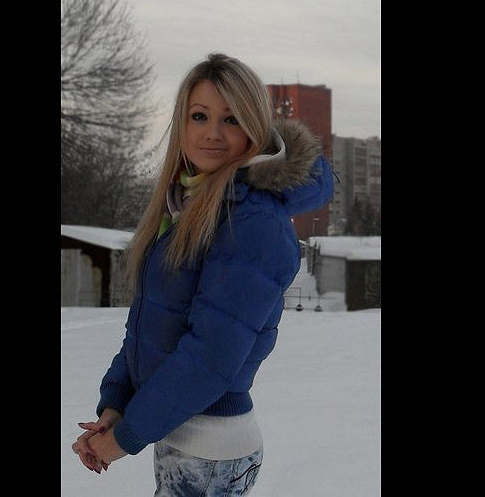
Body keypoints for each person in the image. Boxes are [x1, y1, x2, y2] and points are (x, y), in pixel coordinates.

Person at [71, 53, 334, 496]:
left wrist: (125, 438)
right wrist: (116, 404)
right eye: (199, 116)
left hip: (210, 446)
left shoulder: (250, 220)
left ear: (254, 128)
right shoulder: (186, 204)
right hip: (178, 431)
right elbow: (151, 326)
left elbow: (211, 356)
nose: (212, 132)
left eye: (231, 119)